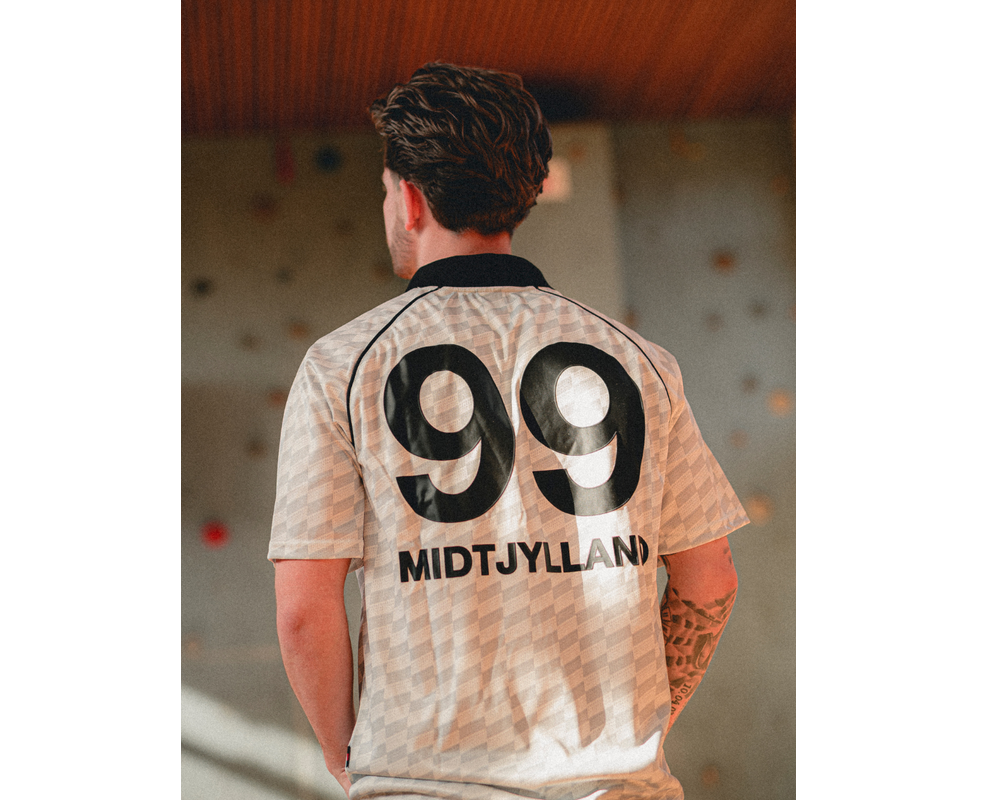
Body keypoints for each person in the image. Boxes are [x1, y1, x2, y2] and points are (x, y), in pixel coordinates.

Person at [270, 62, 749, 800]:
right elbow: (710, 577)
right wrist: (634, 737)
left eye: (387, 192)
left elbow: (305, 610)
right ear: (521, 195)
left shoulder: (344, 365)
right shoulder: (641, 361)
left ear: (410, 199)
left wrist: (347, 761)